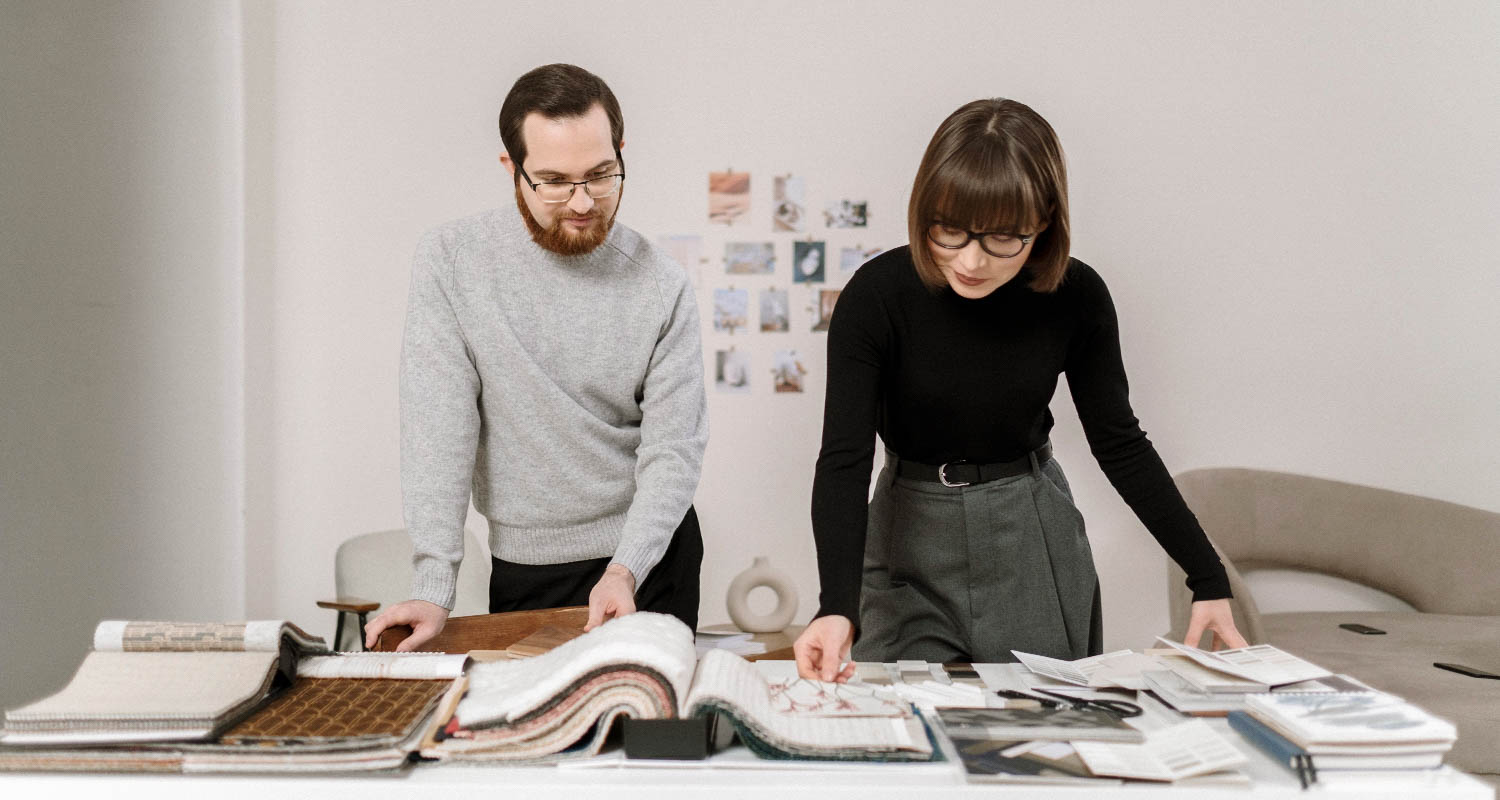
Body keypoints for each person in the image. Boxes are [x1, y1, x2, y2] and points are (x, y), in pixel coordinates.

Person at [793, 98, 1247, 681]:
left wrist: (1206, 577)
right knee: (896, 726)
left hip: (1030, 535)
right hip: (906, 532)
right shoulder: (876, 297)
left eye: (1004, 238)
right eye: (949, 231)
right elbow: (844, 459)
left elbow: (1120, 441)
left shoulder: (1077, 297)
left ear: (1046, 221)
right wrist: (836, 606)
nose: (972, 260)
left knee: (1050, 731)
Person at [365, 64, 708, 651]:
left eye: (601, 175)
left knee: (647, 734)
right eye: (553, 180)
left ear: (620, 152)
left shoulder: (662, 284)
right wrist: (434, 582)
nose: (581, 202)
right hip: (527, 564)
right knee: (535, 735)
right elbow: (437, 425)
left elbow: (673, 449)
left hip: (648, 561)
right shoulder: (453, 261)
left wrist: (626, 568)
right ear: (512, 169)